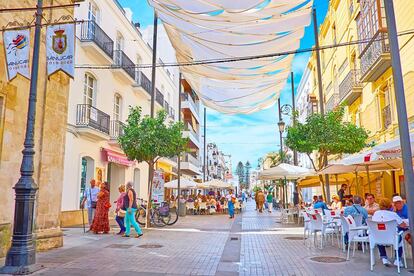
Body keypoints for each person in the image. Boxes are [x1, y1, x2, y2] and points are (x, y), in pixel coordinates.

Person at [372, 198, 408, 267]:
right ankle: (398, 260)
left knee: (379, 234)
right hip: (392, 239)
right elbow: (403, 225)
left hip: (378, 239)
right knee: (399, 237)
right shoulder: (393, 214)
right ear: (390, 205)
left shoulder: (376, 213)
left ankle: (384, 258)